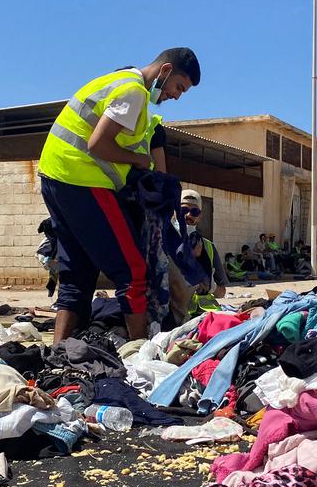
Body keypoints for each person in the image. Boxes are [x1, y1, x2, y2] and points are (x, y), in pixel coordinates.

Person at [38, 48, 200, 341]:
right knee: (134, 271)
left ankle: (57, 352)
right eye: (179, 87)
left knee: (78, 273)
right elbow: (98, 144)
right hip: (82, 180)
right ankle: (139, 350)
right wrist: (138, 161)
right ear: (165, 70)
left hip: (55, 176)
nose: (176, 96)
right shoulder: (133, 91)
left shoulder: (116, 80)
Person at [167, 189, 229, 322]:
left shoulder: (208, 247)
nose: (188, 215)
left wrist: (210, 285)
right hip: (172, 314)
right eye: (183, 210)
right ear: (174, 212)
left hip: (204, 315)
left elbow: (221, 292)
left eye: (194, 211)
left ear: (200, 217)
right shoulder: (162, 243)